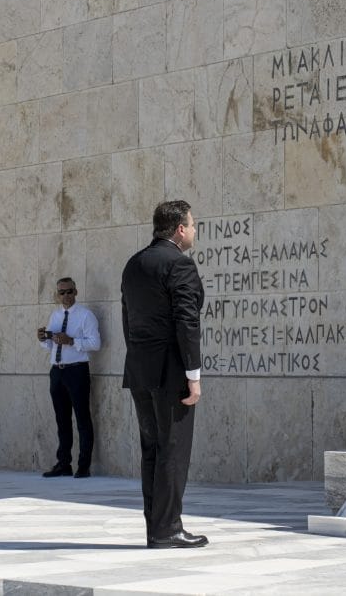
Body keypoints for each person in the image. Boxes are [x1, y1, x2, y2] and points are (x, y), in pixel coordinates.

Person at [120, 200, 207, 549]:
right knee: (172, 450)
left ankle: (156, 528)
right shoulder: (180, 265)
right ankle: (168, 528)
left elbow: (128, 320)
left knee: (152, 451)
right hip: (171, 373)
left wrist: (138, 358)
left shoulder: (134, 264)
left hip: (140, 369)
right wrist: (194, 374)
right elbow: (187, 322)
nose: (195, 231)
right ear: (180, 229)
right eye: (193, 225)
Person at [36, 277, 101, 478]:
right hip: (57, 371)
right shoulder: (55, 316)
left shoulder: (85, 316)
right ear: (58, 294)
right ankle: (63, 463)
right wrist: (43, 339)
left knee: (82, 418)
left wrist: (72, 341)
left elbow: (95, 343)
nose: (66, 296)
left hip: (76, 370)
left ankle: (84, 466)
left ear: (76, 292)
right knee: (62, 419)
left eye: (69, 291)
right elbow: (50, 345)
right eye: (61, 292)